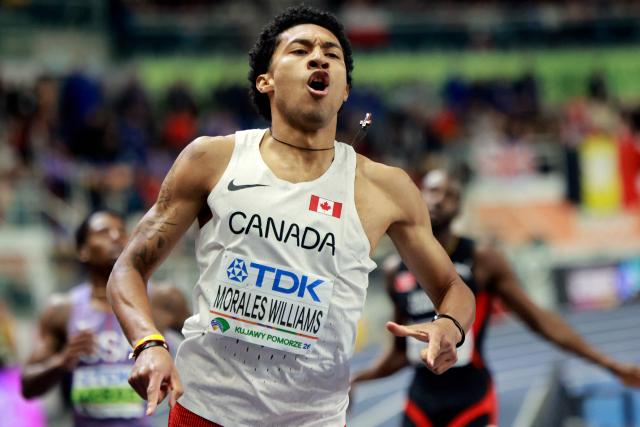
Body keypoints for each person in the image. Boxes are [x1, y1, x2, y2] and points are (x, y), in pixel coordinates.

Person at [106, 5, 476, 427]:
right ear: (266, 80)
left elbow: (453, 288)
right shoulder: (212, 159)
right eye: (300, 50)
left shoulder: (385, 187)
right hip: (207, 411)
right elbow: (129, 267)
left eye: (332, 54)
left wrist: (449, 325)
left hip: (312, 419)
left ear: (344, 90)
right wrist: (148, 344)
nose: (319, 57)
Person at [351, 169, 640, 427]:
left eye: (449, 194)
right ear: (419, 197)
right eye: (432, 190)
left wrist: (608, 364)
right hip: (420, 405)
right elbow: (401, 353)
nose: (438, 199)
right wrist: (354, 380)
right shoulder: (395, 270)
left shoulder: (483, 261)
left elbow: (540, 321)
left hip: (472, 403)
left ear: (459, 208)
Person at [21, 210, 188, 427]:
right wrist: (62, 361)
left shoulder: (164, 299)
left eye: (121, 231)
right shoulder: (62, 309)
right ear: (82, 250)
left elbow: (207, 351)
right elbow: (28, 386)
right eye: (103, 232)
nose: (116, 237)